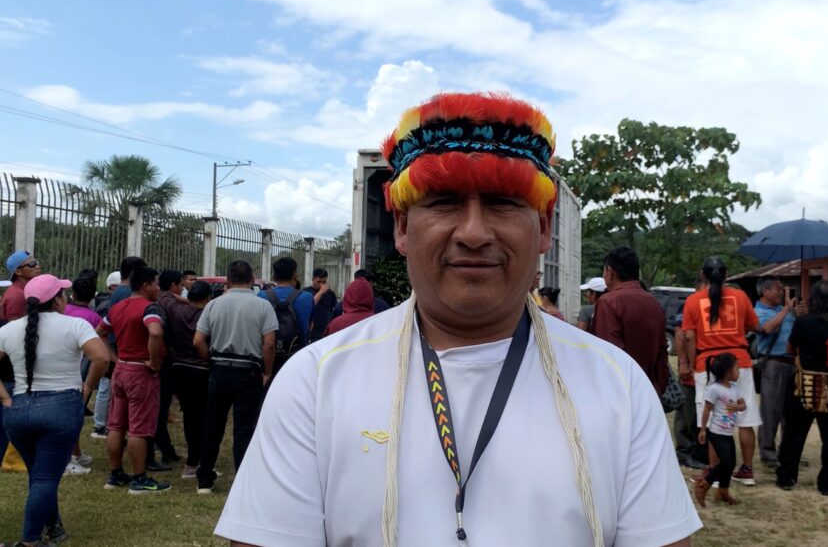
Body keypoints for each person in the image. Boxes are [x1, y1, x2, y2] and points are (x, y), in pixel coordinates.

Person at [215, 92, 701, 546]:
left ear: (545, 229)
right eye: (445, 202)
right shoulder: (314, 382)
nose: (473, 232)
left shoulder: (618, 386)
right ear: (402, 227)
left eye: (502, 203)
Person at [0, 274, 110, 545]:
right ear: (58, 300)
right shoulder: (76, 324)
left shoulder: (9, 329)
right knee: (46, 477)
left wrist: (4, 398)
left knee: (39, 475)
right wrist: (87, 387)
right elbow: (102, 357)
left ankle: (55, 528)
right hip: (60, 407)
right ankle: (30, 540)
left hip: (18, 408)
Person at [194, 260, 277, 494]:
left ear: (228, 281)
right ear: (252, 281)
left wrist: (210, 360)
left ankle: (204, 479)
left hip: (219, 368)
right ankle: (242, 479)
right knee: (244, 428)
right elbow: (269, 344)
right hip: (249, 370)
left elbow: (198, 341)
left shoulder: (213, 305)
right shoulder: (263, 307)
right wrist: (267, 372)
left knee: (213, 425)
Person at [682, 257, 761, 486]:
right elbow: (752, 324)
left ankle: (715, 472)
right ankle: (746, 470)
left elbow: (688, 335)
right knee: (746, 420)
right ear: (726, 275)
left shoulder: (693, 301)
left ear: (702, 275)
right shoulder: (740, 297)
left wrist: (692, 361)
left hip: (708, 363)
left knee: (711, 418)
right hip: (740, 363)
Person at [95, 266, 171, 495]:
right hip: (140, 371)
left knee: (116, 425)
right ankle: (139, 479)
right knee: (139, 428)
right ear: (145, 286)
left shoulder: (117, 307)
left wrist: (115, 358)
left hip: (121, 369)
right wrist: (154, 362)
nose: (158, 288)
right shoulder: (149, 308)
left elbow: (100, 331)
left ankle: (115, 474)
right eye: (156, 284)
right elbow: (155, 332)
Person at [775, 280, 828, 495]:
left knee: (794, 434)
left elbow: (790, 347)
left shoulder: (804, 322)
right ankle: (827, 483)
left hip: (804, 384)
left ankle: (787, 476)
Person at [592, 246, 670, 395]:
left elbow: (609, 354)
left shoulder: (608, 302)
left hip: (620, 391)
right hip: (649, 390)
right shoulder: (653, 302)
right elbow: (662, 353)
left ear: (609, 271)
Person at [2, 251, 43, 476]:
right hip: (12, 366)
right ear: (18, 271)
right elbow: (16, 335)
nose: (38, 266)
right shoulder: (17, 296)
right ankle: (12, 458)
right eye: (32, 264)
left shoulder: (21, 292)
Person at [166, 280, 212, 479]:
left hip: (180, 369)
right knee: (203, 417)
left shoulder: (176, 312)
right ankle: (197, 460)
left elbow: (166, 299)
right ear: (208, 298)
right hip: (202, 369)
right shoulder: (208, 315)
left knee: (190, 416)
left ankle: (192, 461)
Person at [753, 276, 798, 467]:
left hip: (792, 362)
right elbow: (767, 328)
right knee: (771, 409)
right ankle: (767, 451)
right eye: (778, 289)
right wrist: (787, 309)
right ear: (765, 291)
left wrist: (794, 312)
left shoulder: (785, 310)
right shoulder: (758, 311)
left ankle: (787, 450)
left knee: (791, 411)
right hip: (773, 362)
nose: (782, 292)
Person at [694, 352, 745, 507]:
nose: (739, 371)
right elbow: (707, 410)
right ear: (727, 372)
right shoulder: (714, 389)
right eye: (737, 368)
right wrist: (703, 429)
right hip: (716, 433)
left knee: (731, 463)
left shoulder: (735, 389)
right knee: (725, 462)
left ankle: (723, 491)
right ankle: (703, 485)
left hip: (728, 433)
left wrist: (737, 406)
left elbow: (743, 405)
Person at [64, 276, 103, 475]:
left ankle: (76, 453)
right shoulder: (94, 318)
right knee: (74, 417)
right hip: (81, 372)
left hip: (65, 368)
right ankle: (70, 456)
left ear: (73, 294)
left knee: (73, 416)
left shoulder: (64, 311)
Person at [148, 270, 186, 470]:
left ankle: (164, 448)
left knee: (160, 408)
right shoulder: (171, 305)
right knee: (161, 408)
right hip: (167, 360)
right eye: (180, 285)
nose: (182, 289)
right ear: (173, 285)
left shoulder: (158, 301)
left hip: (159, 359)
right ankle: (164, 449)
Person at [674, 278, 708, 470]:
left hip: (704, 367)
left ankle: (698, 451)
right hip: (692, 367)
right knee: (686, 410)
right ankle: (684, 452)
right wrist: (685, 363)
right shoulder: (690, 304)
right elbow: (681, 333)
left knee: (699, 410)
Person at [257, 257, 313, 375]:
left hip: (267, 357)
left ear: (274, 277)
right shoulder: (307, 297)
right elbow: (310, 325)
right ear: (295, 275)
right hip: (296, 357)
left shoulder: (261, 296)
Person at [88, 271, 121, 440]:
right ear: (113, 286)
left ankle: (104, 422)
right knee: (105, 387)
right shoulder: (108, 304)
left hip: (108, 347)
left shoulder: (102, 302)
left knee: (107, 387)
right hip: (110, 348)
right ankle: (100, 425)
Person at [303, 268, 338, 343]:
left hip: (325, 330)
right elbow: (310, 305)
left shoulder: (330, 294)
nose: (321, 284)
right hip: (311, 332)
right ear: (313, 279)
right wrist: (321, 292)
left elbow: (334, 309)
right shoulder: (306, 292)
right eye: (318, 282)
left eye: (324, 282)